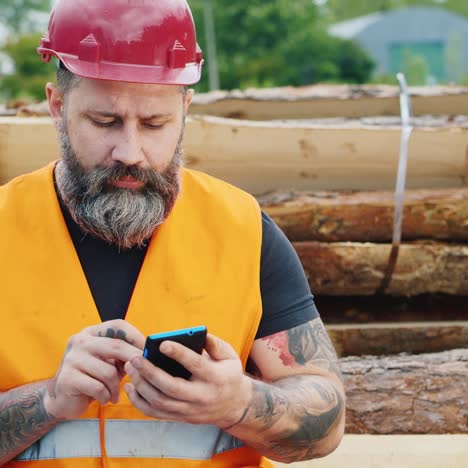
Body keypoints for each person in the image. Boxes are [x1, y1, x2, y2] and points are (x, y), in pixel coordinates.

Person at [0, 0, 345, 466]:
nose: (131, 151)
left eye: (155, 123)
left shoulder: (240, 229)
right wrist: (48, 401)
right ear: (57, 107)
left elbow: (326, 419)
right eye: (104, 122)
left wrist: (239, 403)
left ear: (185, 108)